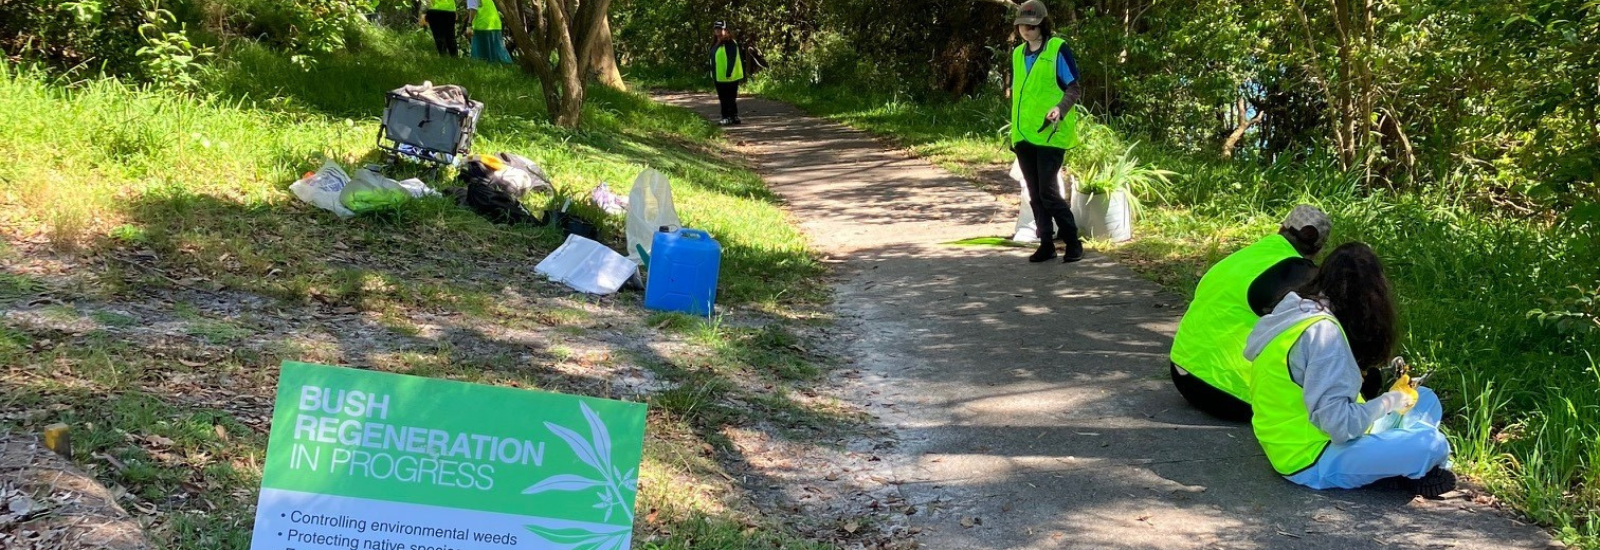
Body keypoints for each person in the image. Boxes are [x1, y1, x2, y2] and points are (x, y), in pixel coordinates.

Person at [1244, 242, 1455, 497]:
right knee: (1432, 445)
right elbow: (1340, 426)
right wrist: (1390, 401)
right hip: (1311, 458)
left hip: (1302, 442)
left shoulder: (1298, 309)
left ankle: (1402, 465)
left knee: (1425, 397)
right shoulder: (1324, 335)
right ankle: (1410, 466)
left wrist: (1394, 401)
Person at [1169, 205, 1357, 421]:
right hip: (1226, 392)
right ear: (1319, 249)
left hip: (1181, 371)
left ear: (1281, 227)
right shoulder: (1300, 275)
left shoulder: (1244, 256)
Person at [1006, 0, 1084, 263]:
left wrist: (1060, 108)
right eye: (1022, 27)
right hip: (1024, 134)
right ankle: (1046, 243)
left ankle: (1073, 241)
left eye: (1031, 26)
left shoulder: (1057, 48)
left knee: (1048, 192)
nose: (1026, 31)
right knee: (1034, 192)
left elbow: (1073, 88)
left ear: (1042, 25)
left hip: (1050, 132)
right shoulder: (1017, 54)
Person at [709, 21, 745, 126]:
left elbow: (732, 58)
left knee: (728, 97)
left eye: (720, 28)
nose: (718, 30)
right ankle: (733, 116)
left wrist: (729, 72)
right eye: (716, 28)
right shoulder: (716, 43)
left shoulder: (730, 42)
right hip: (719, 76)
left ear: (726, 30)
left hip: (729, 76)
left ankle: (727, 117)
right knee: (725, 97)